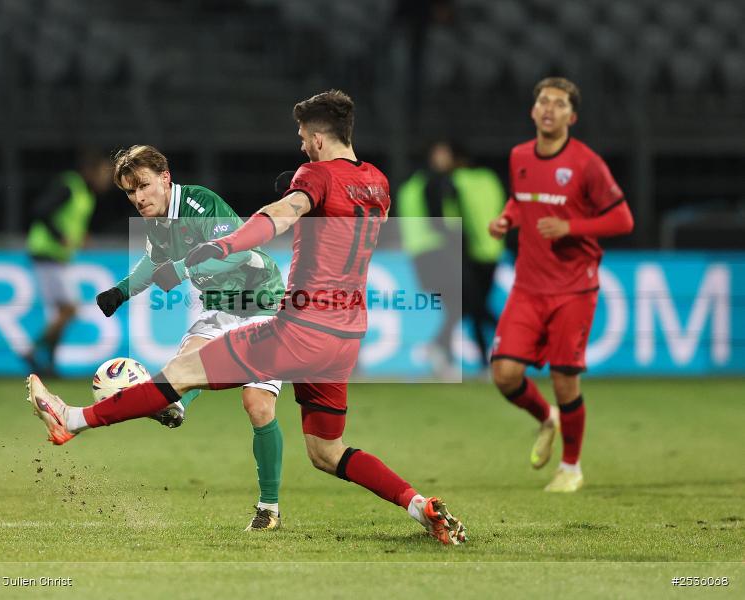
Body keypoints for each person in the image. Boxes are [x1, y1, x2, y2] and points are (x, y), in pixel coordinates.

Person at [26, 90, 467, 546]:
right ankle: (420, 506)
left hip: (299, 327)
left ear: (317, 137)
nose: (300, 144)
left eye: (301, 136)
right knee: (326, 451)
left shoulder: (313, 174)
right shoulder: (377, 181)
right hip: (346, 333)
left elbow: (279, 216)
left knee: (179, 373)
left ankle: (71, 417)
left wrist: (227, 243)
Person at [94, 144, 287, 531]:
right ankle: (176, 406)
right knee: (187, 361)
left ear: (166, 178)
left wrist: (181, 269)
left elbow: (235, 251)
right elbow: (153, 262)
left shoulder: (199, 203)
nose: (139, 198)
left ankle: (269, 509)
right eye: (131, 192)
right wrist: (121, 290)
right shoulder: (157, 222)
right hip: (219, 304)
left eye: (144, 186)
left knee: (257, 405)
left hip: (262, 299)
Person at [488, 77, 634, 492]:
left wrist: (572, 225)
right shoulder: (519, 155)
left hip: (574, 287)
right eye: (543, 101)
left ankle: (571, 467)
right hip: (528, 287)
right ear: (533, 111)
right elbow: (522, 198)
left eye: (559, 103)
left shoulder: (587, 163)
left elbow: (623, 219)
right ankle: (547, 418)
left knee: (565, 377)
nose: (549, 108)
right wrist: (507, 219)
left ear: (572, 116)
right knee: (504, 375)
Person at [24, 151, 112, 376]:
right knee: (69, 310)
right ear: (89, 171)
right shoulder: (68, 186)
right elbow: (41, 210)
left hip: (58, 257)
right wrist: (59, 236)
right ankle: (32, 350)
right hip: (46, 253)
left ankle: (50, 364)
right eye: (103, 173)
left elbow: (68, 219)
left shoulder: (85, 194)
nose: (107, 179)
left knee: (61, 313)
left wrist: (80, 236)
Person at [395, 141, 462, 377]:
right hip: (435, 249)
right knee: (457, 304)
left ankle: (444, 357)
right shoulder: (432, 184)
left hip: (417, 254)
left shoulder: (407, 188)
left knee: (452, 305)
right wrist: (457, 237)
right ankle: (440, 348)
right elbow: (438, 220)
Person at [450, 146, 505, 364]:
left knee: (477, 307)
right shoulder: (491, 180)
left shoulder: (457, 180)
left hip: (471, 253)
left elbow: (450, 216)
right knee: (477, 307)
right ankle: (489, 358)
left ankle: (514, 341)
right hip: (494, 250)